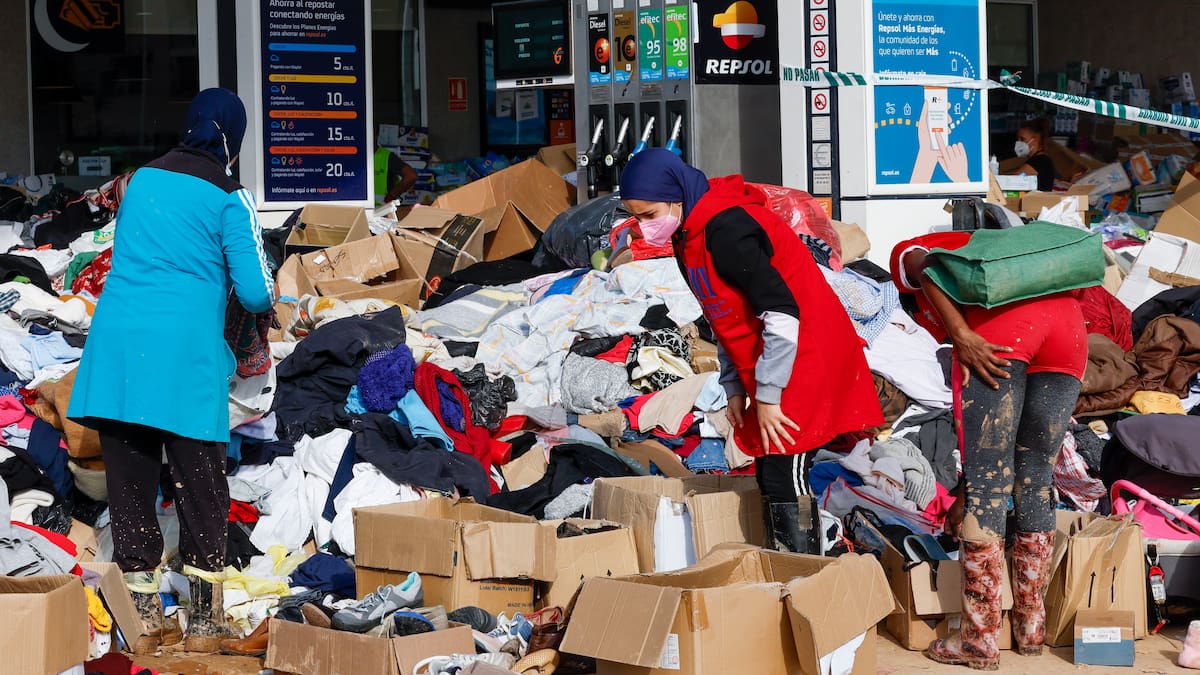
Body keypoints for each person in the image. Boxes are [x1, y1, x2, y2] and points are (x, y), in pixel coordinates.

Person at [68, 88, 275, 654]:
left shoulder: (140, 181)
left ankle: (140, 624)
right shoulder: (230, 196)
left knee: (130, 493)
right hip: (185, 362)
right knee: (201, 489)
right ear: (233, 137)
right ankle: (205, 624)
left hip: (118, 358)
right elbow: (258, 292)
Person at [619, 149, 884, 554]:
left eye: (650, 214)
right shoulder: (687, 236)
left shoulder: (727, 230)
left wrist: (769, 394)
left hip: (803, 355)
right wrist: (734, 387)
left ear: (677, 197)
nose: (644, 227)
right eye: (636, 217)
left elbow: (780, 311)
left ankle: (806, 570)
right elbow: (723, 315)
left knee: (787, 469)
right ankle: (788, 563)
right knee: (769, 470)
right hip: (768, 359)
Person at [892, 231, 1087, 670]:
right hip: (1068, 331)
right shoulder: (1026, 248)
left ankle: (978, 640)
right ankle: (1030, 628)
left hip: (1002, 335)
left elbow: (924, 268)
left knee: (988, 484)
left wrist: (960, 333)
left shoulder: (915, 247)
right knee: (1036, 478)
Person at [1008, 118, 1057, 191]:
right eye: (1018, 139)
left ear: (1035, 139)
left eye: (1022, 139)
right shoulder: (1040, 160)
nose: (1018, 143)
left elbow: (1012, 181)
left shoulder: (1039, 161)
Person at [374, 133, 418, 205]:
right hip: (358, 210)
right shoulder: (356, 155)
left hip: (382, 211)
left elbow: (411, 175)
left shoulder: (387, 157)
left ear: (375, 136)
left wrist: (391, 196)